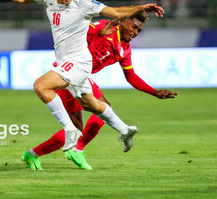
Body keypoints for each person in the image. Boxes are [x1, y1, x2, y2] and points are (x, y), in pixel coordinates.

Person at [0, 0, 165, 160]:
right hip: (68, 63)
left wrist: (141, 8)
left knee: (41, 86)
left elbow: (117, 12)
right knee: (95, 106)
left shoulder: (83, 3)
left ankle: (69, 131)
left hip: (78, 63)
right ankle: (125, 130)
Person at [23, 13, 178, 170]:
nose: (136, 32)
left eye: (139, 30)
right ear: (123, 21)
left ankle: (41, 153)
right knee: (96, 113)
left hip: (81, 77)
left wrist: (154, 92)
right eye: (134, 27)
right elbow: (80, 31)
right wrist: (98, 31)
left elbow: (130, 76)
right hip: (67, 72)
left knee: (88, 120)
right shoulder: (106, 27)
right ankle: (74, 149)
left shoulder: (125, 50)